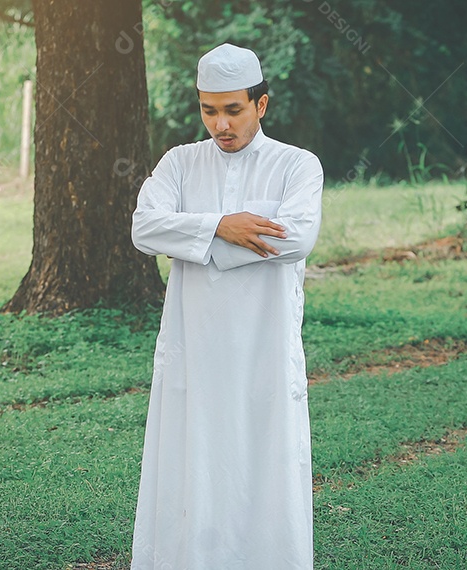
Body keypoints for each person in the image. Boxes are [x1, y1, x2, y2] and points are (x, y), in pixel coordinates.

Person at [129, 43, 324, 569]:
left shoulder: (296, 166)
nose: (220, 124)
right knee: (192, 462)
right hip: (194, 347)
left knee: (264, 462)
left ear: (261, 105)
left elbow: (296, 239)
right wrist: (222, 224)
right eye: (208, 109)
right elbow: (144, 228)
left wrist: (193, 242)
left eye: (233, 109)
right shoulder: (179, 162)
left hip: (263, 346)